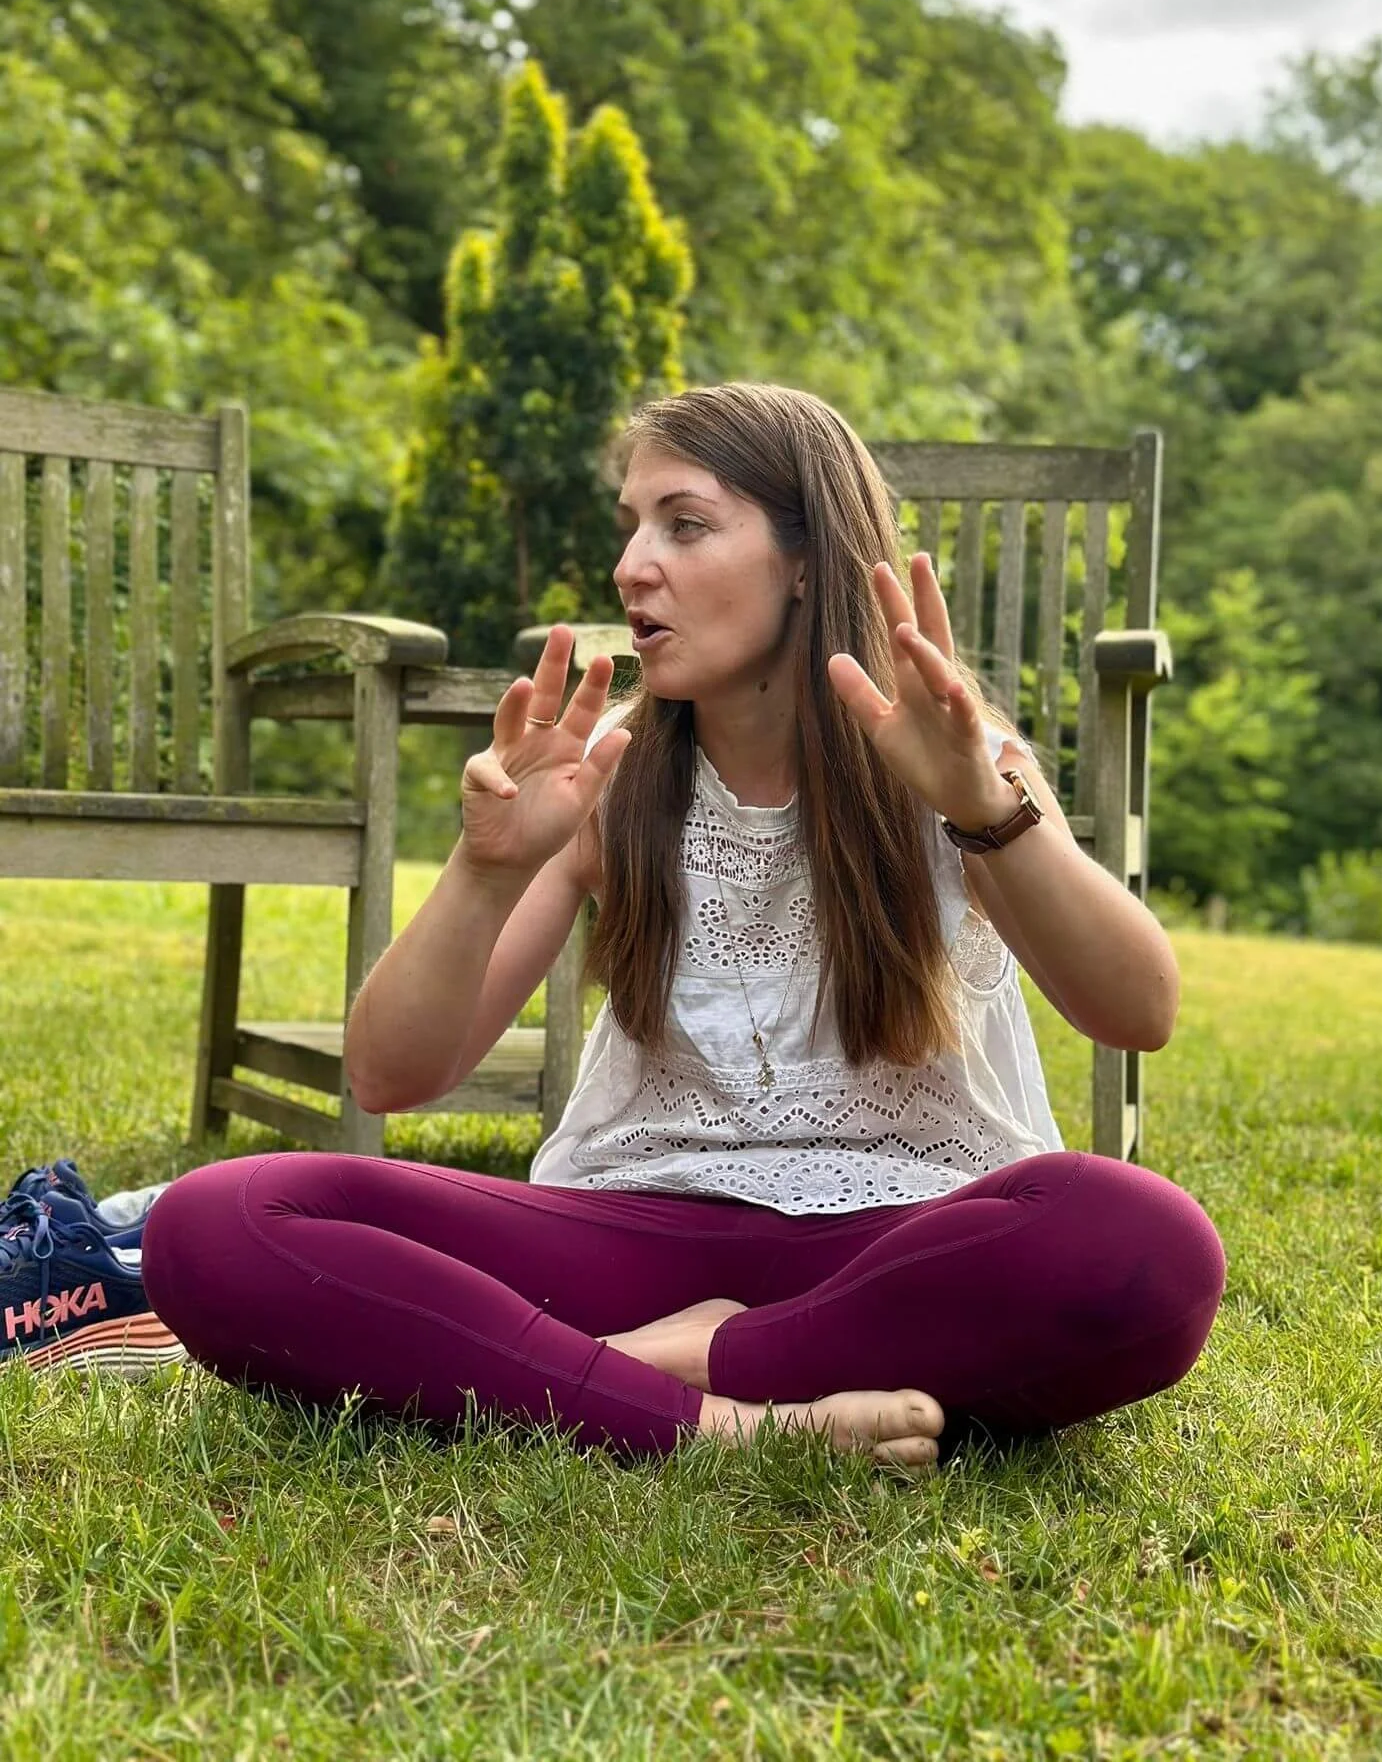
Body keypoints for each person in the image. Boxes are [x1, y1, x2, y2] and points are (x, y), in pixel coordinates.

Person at [141, 383, 1225, 1470]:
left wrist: (989, 812)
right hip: (636, 1226)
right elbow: (387, 1073)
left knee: (1145, 1246)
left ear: (807, 559)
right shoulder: (611, 773)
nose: (632, 564)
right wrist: (485, 868)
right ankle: (730, 1419)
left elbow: (1137, 1009)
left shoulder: (945, 751)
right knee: (217, 1221)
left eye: (686, 521)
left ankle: (646, 1363)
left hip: (903, 1236)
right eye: (633, 524)